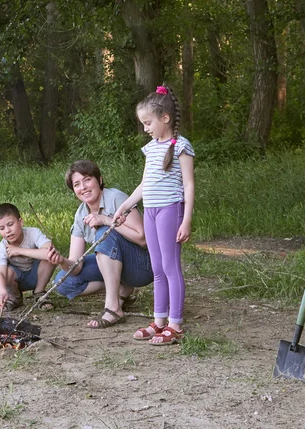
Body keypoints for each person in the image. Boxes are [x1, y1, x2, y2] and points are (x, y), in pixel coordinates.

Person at [113, 85, 195, 346]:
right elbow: (144, 185)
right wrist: (125, 206)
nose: (146, 128)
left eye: (148, 123)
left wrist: (186, 219)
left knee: (171, 267)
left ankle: (175, 324)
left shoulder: (181, 146)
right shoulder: (150, 149)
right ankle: (159, 321)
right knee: (157, 268)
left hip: (171, 210)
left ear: (165, 118)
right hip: (151, 211)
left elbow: (189, 184)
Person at [47, 160, 154, 329]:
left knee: (104, 231)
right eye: (77, 184)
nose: (83, 187)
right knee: (62, 281)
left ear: (100, 180)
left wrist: (106, 220)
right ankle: (122, 289)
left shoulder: (115, 198)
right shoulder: (81, 214)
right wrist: (61, 260)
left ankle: (113, 308)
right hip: (115, 264)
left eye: (87, 179)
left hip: (143, 266)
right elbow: (76, 266)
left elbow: (143, 239)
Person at [0, 203, 56, 312]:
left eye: (10, 224)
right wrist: (2, 291)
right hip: (17, 280)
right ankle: (15, 297)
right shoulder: (2, 248)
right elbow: (0, 273)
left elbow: (50, 252)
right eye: (2, 228)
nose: (7, 230)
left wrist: (19, 250)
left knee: (51, 257)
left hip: (37, 274)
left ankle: (39, 293)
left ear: (20, 222)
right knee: (5, 272)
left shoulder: (33, 233)